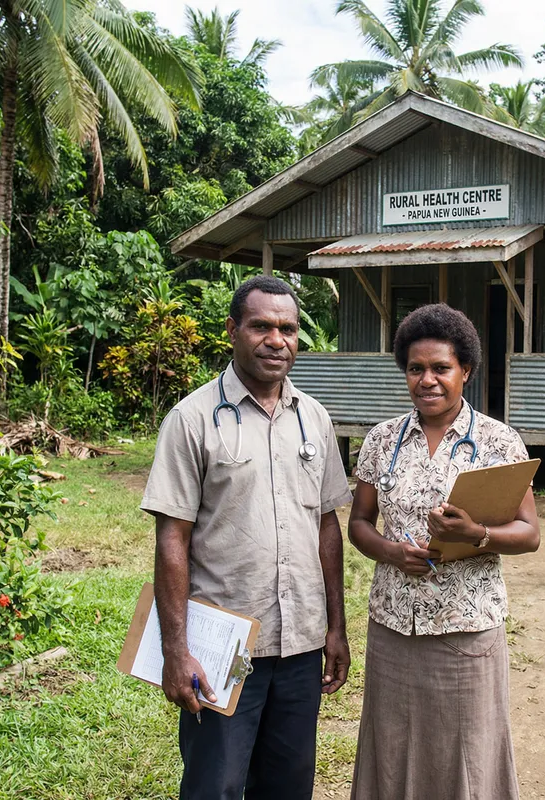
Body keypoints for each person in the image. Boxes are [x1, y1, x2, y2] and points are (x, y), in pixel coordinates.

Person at [140, 276, 353, 800]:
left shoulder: (315, 419)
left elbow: (328, 525)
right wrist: (176, 649)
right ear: (233, 330)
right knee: (216, 784)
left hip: (301, 642)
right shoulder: (192, 419)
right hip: (225, 647)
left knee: (287, 785)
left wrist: (336, 628)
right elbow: (173, 539)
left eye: (288, 328)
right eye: (261, 326)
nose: (276, 339)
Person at [348, 303, 540, 800]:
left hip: (467, 626)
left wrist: (477, 533)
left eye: (441, 368)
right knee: (391, 743)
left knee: (468, 749)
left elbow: (529, 533)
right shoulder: (382, 439)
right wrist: (392, 552)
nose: (427, 380)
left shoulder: (499, 441)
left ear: (466, 371)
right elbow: (359, 524)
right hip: (393, 624)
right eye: (416, 369)